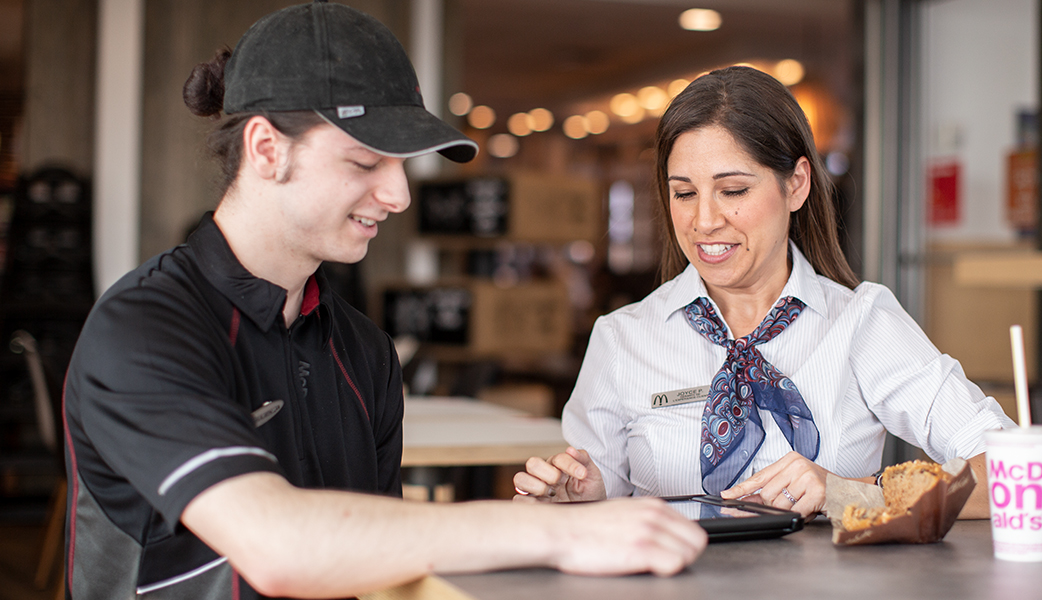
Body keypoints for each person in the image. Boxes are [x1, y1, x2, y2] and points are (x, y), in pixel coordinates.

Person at [61, 3, 705, 599]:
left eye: (403, 164)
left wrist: (536, 524)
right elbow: (279, 546)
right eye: (367, 161)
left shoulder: (362, 350)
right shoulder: (144, 329)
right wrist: (554, 537)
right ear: (266, 150)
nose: (398, 194)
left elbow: (375, 555)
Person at [514, 66, 1013, 520]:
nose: (704, 221)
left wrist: (848, 492)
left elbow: (1013, 473)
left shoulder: (861, 323)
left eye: (733, 191)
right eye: (683, 193)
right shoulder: (623, 338)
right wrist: (578, 495)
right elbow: (599, 483)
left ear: (796, 185)